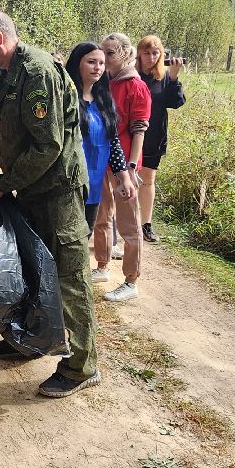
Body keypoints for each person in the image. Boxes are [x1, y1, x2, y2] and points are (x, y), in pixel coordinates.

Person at [0, 9, 99, 399]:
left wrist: (4, 184)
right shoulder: (8, 74)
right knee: (36, 273)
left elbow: (48, 146)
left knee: (69, 278)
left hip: (58, 195)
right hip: (33, 192)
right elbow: (5, 140)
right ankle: (29, 341)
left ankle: (82, 364)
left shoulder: (36, 73)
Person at [92, 32, 150, 301]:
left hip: (124, 166)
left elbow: (139, 128)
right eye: (102, 53)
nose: (104, 58)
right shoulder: (103, 83)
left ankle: (131, 281)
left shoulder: (135, 86)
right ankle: (102, 266)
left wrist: (131, 165)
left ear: (126, 54)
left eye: (110, 53)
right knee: (102, 217)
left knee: (129, 224)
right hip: (102, 161)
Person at [66, 42, 133, 233]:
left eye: (102, 63)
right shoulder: (65, 98)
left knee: (84, 237)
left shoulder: (104, 101)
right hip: (67, 187)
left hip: (94, 186)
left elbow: (113, 142)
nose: (98, 67)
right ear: (77, 63)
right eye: (91, 62)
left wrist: (124, 178)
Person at [134, 35, 187, 242]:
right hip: (130, 135)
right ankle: (120, 226)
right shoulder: (131, 75)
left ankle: (146, 224)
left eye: (155, 53)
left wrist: (174, 78)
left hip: (154, 136)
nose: (151, 57)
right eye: (146, 53)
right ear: (139, 53)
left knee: (148, 180)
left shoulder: (164, 76)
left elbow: (176, 102)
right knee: (124, 180)